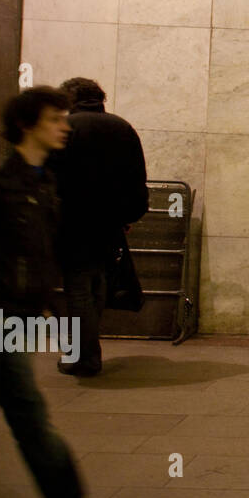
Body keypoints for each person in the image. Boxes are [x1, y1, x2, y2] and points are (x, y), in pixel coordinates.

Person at [0, 87, 117, 498]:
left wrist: (43, 301)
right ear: (25, 124)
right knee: (30, 416)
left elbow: (35, 255)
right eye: (54, 119)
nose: (64, 126)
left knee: (0, 408)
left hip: (16, 317)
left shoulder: (44, 184)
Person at [50, 78, 149, 377]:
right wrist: (129, 215)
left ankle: (86, 357)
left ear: (70, 98)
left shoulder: (67, 128)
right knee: (97, 284)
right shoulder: (122, 127)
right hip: (109, 222)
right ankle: (87, 352)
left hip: (73, 221)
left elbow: (51, 178)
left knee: (78, 287)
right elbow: (136, 176)